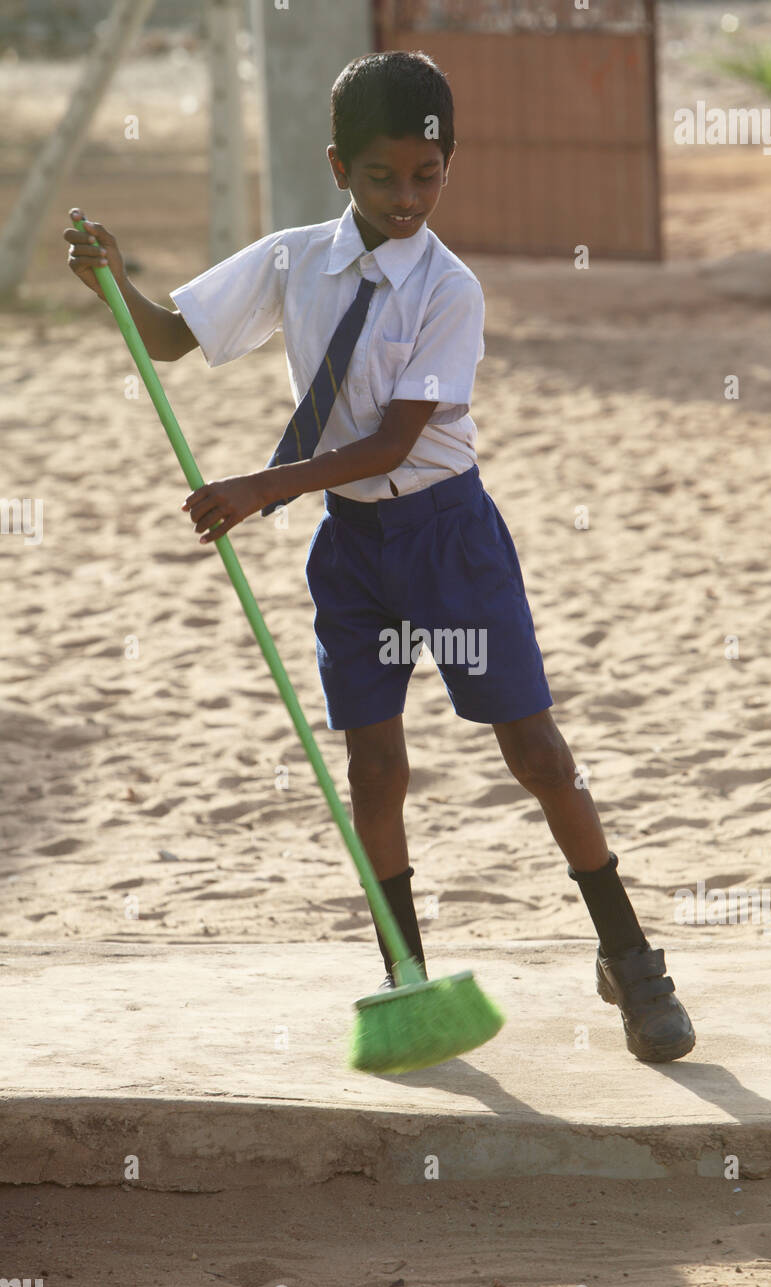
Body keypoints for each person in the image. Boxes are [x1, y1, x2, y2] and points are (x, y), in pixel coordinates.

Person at [65, 50, 694, 1063]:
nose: (406, 198)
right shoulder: (289, 261)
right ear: (336, 168)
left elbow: (396, 442)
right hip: (350, 548)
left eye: (426, 176)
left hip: (448, 538)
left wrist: (259, 487)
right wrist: (112, 282)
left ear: (448, 165)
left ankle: (628, 955)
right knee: (372, 764)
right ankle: (403, 968)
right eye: (381, 177)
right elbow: (174, 337)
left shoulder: (447, 289)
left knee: (534, 753)